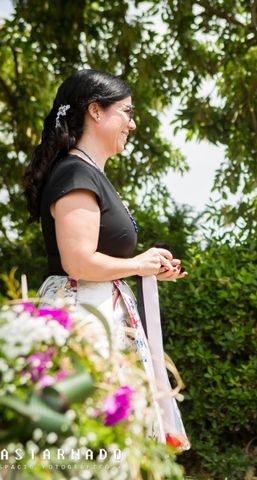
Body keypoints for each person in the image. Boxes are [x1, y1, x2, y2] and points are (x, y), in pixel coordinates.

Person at [23, 69, 189, 449]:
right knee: (87, 435)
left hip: (99, 311)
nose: (132, 123)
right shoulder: (75, 173)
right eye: (127, 112)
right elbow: (78, 263)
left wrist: (148, 269)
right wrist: (137, 264)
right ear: (95, 111)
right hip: (83, 319)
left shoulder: (88, 172)